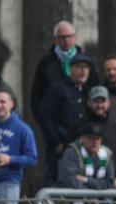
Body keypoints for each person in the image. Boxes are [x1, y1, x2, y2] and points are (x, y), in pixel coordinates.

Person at [37, 53, 94, 185]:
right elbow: (44, 116)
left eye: (86, 67)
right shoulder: (58, 88)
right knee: (54, 180)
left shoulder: (87, 91)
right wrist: (56, 142)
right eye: (79, 67)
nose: (83, 71)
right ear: (71, 69)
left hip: (81, 146)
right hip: (61, 146)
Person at [30, 20, 98, 117]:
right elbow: (37, 94)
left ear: (74, 38)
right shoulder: (46, 63)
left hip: (83, 119)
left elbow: (94, 87)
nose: (66, 40)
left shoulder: (86, 61)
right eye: (62, 37)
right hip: (54, 119)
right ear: (55, 39)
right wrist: (42, 119)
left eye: (69, 36)